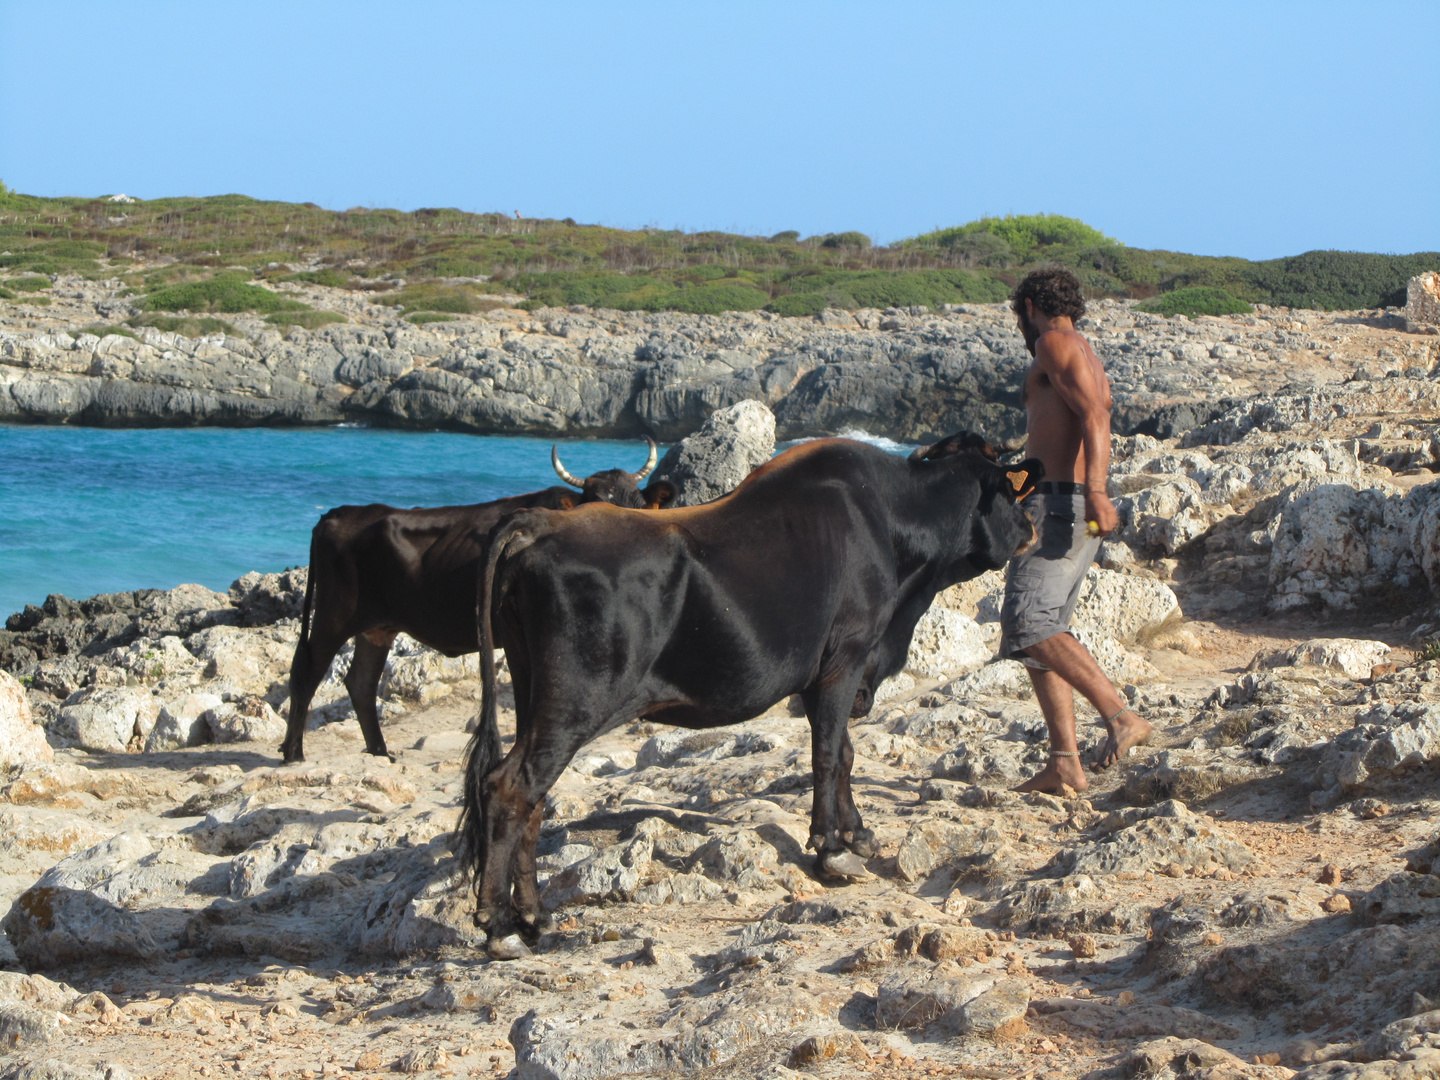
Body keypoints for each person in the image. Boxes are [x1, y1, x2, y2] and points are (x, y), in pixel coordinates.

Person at [999, 267, 1152, 794]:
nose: (1022, 324)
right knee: (1043, 635)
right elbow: (1052, 441)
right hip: (1055, 499)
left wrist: (1098, 491)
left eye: (1022, 313)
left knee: (1029, 623)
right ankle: (1065, 763)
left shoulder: (1055, 343)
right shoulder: (1078, 348)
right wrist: (1004, 480)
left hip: (1062, 506)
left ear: (1033, 307)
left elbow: (1095, 417)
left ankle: (1120, 716)